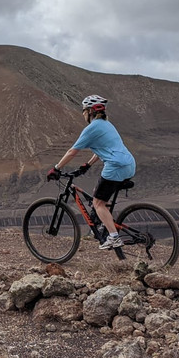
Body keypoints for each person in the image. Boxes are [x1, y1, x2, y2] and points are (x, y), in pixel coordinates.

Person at [46, 95, 136, 249]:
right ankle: (105, 226)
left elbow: (71, 152)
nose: (83, 114)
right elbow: (102, 149)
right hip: (129, 165)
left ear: (89, 112)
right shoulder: (107, 124)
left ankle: (114, 237)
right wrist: (87, 164)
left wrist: (56, 168)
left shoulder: (91, 128)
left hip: (115, 166)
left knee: (97, 203)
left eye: (84, 111)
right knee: (100, 193)